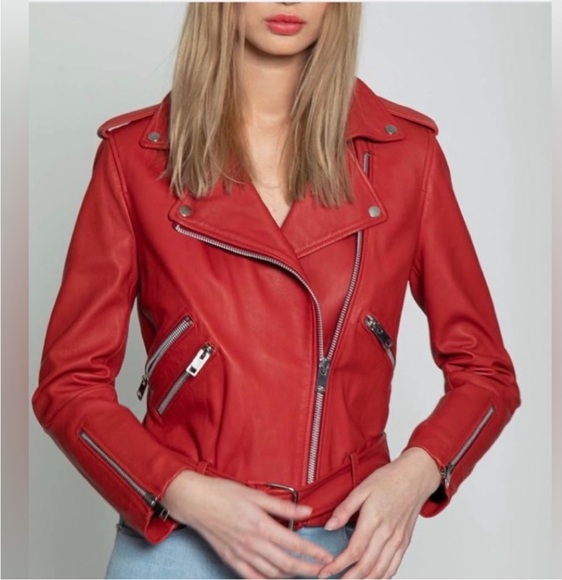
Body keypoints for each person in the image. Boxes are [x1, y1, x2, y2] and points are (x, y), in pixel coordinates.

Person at [31, 2, 522, 579]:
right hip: (180, 542)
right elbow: (69, 385)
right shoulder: (135, 158)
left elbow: (486, 373)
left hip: (340, 547)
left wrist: (415, 475)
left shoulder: (405, 157)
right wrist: (183, 492)